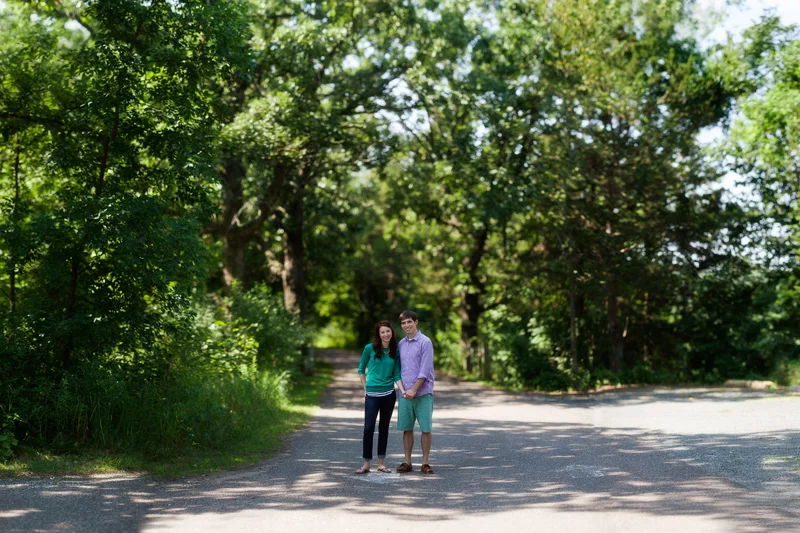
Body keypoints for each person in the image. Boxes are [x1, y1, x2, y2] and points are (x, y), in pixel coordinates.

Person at [356, 320, 402, 474]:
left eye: (388, 331)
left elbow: (396, 374)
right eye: (382, 332)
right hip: (372, 395)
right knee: (368, 428)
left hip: (389, 395)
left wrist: (402, 390)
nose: (385, 334)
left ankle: (381, 464)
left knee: (384, 429)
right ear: (379, 334)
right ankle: (366, 464)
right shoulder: (369, 348)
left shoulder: (395, 351)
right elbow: (361, 368)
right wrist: (365, 388)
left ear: (391, 332)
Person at [396, 310, 435, 474]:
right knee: (407, 428)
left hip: (423, 393)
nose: (406, 325)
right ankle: (407, 461)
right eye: (403, 323)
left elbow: (424, 370)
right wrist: (404, 390)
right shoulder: (400, 344)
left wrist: (414, 389)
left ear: (416, 322)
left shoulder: (425, 342)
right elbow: (398, 369)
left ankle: (425, 463)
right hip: (405, 394)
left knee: (426, 428)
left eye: (409, 322)